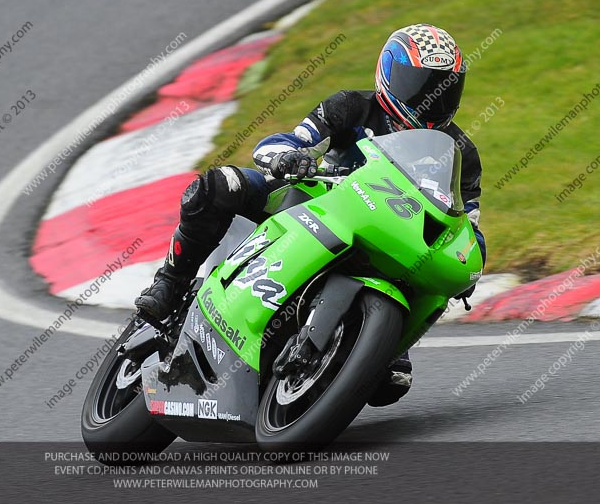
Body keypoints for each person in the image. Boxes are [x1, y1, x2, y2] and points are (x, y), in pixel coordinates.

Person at [135, 24, 486, 406]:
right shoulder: (351, 107)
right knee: (220, 185)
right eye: (418, 84)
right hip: (315, 199)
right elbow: (285, 142)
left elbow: (466, 223)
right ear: (388, 73)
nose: (429, 99)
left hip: (391, 237)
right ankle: (170, 283)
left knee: (433, 284)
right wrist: (288, 157)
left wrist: (470, 257)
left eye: (443, 88)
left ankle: (382, 346)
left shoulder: (460, 154)